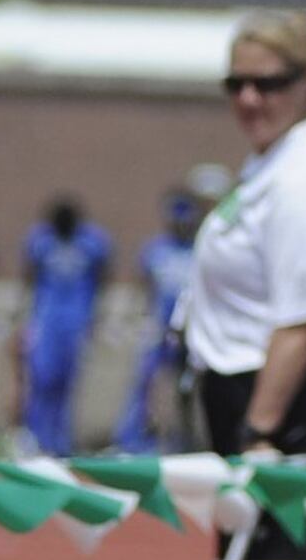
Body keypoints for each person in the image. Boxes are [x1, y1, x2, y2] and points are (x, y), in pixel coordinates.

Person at [182, 10, 306, 560]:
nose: (248, 98)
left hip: (287, 402)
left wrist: (256, 431)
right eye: (235, 83)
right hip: (253, 392)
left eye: (268, 83)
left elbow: (300, 322)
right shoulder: (273, 159)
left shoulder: (302, 183)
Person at [19, 196, 113, 455]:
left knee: (66, 381)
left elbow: (103, 276)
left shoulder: (92, 242)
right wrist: (23, 316)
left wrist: (97, 316)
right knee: (41, 378)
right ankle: (35, 436)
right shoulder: (40, 240)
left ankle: (60, 440)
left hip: (76, 319)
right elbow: (29, 275)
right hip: (46, 318)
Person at [113, 188, 201, 452]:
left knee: (186, 388)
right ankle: (134, 439)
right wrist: (136, 318)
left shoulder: (198, 249)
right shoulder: (156, 250)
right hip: (159, 327)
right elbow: (143, 287)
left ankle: (184, 440)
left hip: (190, 331)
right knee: (147, 382)